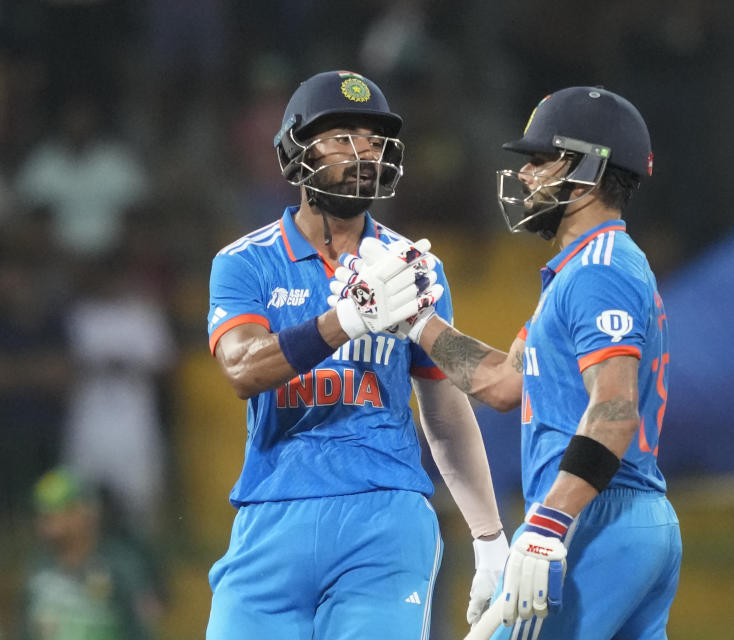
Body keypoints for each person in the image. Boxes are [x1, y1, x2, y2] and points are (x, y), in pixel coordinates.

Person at [335, 86, 682, 639]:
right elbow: (500, 383)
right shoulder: (584, 269)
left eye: (542, 160)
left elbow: (615, 410)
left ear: (588, 172)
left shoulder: (598, 270)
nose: (525, 176)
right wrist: (418, 322)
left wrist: (548, 524)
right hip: (625, 517)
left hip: (594, 517)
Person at [204, 70, 508, 640]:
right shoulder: (243, 263)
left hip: (385, 516)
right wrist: (343, 321)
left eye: (372, 139)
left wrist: (489, 536)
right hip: (272, 513)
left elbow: (443, 412)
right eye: (341, 136)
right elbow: (243, 370)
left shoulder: (413, 265)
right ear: (296, 150)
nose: (362, 152)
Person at [21, 467, 164, 640]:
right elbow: (25, 629)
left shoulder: (119, 566)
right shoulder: (39, 568)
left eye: (60, 511)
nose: (49, 523)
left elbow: (140, 629)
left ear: (85, 512)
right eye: (44, 514)